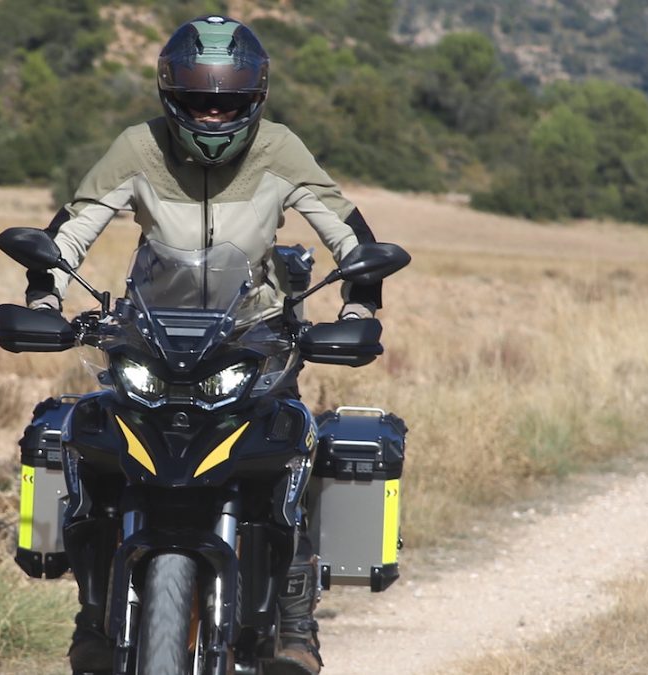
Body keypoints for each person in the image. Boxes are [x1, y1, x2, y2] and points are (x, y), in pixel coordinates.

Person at [26, 15, 385, 675]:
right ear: (171, 94)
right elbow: (73, 226)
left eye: (228, 101)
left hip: (256, 337)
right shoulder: (139, 147)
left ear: (256, 98)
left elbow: (348, 233)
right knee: (93, 446)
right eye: (197, 100)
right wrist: (45, 299)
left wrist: (358, 304)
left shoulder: (280, 149)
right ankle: (92, 615)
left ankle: (294, 627)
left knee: (291, 452)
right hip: (151, 336)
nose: (212, 113)